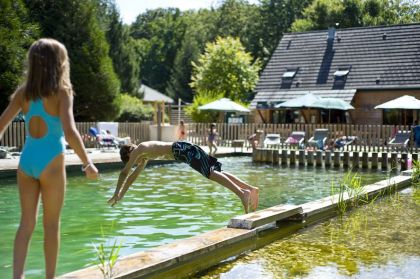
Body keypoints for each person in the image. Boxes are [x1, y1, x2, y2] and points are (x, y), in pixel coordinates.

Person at [0, 38, 98, 279]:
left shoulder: (23, 93)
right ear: (59, 64)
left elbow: (1, 124)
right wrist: (87, 163)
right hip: (52, 163)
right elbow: (70, 131)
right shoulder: (62, 92)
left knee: (26, 224)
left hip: (27, 162)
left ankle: (17, 277)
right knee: (51, 225)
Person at [108, 141, 259, 213]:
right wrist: (122, 194)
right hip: (185, 149)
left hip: (182, 150)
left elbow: (124, 173)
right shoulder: (144, 156)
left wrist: (116, 194)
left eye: (131, 161)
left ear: (129, 153)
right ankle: (250, 189)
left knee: (210, 173)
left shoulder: (139, 149)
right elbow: (132, 177)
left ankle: (241, 193)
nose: (134, 163)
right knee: (215, 170)